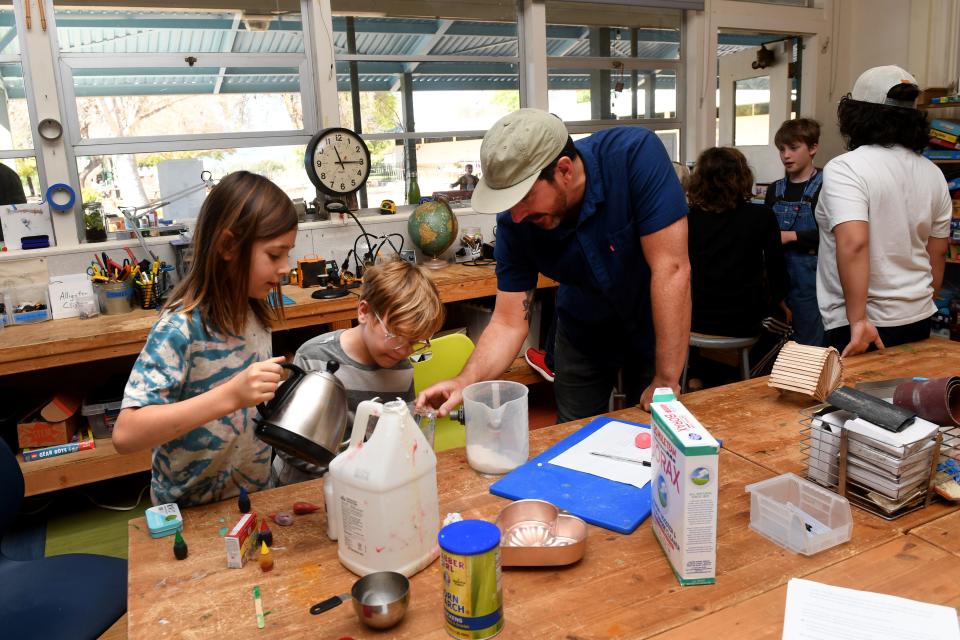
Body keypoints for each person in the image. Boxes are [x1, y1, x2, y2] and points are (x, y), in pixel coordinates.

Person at [418, 108, 690, 422]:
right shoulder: (514, 221)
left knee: (655, 434)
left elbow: (672, 269)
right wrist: (466, 380)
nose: (516, 216)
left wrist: (667, 379)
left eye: (525, 197)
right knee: (574, 439)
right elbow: (508, 321)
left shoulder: (633, 156)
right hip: (582, 332)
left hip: (655, 324)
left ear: (564, 171)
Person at [112, 171, 298, 507]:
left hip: (253, 495)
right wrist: (230, 396)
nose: (286, 267)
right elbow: (126, 435)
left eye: (288, 253)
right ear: (228, 246)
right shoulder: (179, 328)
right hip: (188, 508)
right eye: (274, 255)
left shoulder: (256, 314)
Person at [816, 65, 951, 357]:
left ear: (856, 115)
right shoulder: (933, 173)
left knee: (854, 402)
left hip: (862, 325)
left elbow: (854, 243)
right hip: (918, 315)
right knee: (906, 400)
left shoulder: (846, 168)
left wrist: (858, 320)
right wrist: (924, 301)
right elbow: (938, 252)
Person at [273, 259, 444, 485]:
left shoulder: (401, 370)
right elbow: (288, 443)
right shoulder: (314, 357)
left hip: (364, 488)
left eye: (414, 343)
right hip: (300, 489)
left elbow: (399, 436)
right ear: (364, 312)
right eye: (395, 337)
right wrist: (348, 472)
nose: (403, 351)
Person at [686, 147, 788, 384]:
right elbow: (778, 277)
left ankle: (697, 373)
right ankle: (737, 380)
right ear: (742, 178)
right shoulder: (762, 216)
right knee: (787, 328)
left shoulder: (687, 218)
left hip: (693, 318)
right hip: (743, 321)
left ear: (699, 180)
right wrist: (781, 303)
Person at [765, 118, 825, 346]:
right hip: (778, 278)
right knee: (776, 347)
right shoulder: (775, 189)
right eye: (782, 149)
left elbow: (835, 236)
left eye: (793, 148)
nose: (786, 155)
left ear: (813, 148)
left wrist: (791, 236)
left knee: (809, 344)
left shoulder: (826, 185)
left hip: (811, 279)